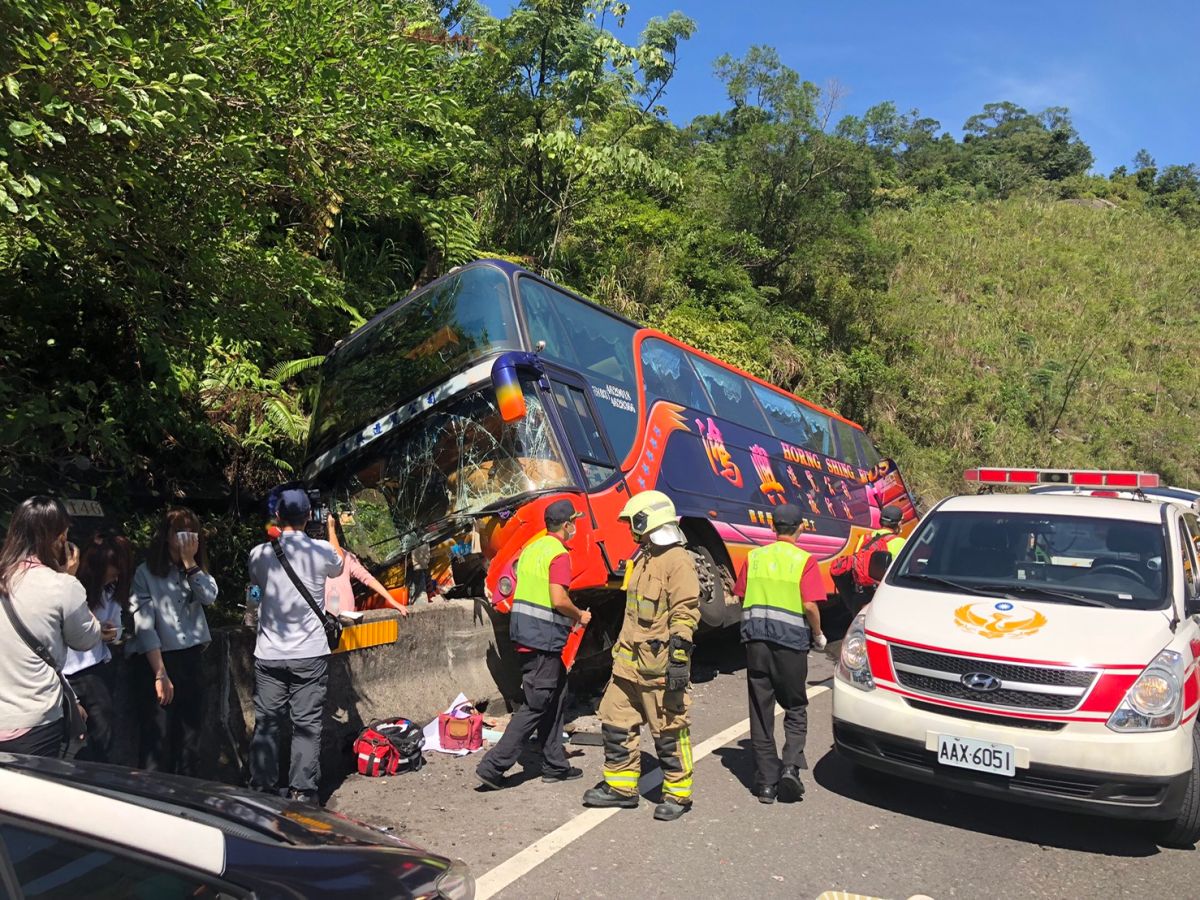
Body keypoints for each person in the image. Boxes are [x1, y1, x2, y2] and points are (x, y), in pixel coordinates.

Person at [582, 491, 700, 822]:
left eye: (633, 521)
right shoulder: (646, 557)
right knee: (615, 720)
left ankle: (677, 793)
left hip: (657, 667)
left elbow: (685, 610)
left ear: (647, 519)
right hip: (627, 665)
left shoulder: (677, 561)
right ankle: (621, 788)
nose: (630, 528)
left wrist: (679, 656)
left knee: (669, 729)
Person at [476, 499, 590, 790]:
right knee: (536, 704)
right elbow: (559, 599)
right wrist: (580, 615)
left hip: (525, 634)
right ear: (567, 525)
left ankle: (555, 764)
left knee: (557, 693)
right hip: (543, 639)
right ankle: (493, 766)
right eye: (574, 522)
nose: (575, 527)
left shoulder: (532, 548)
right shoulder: (558, 554)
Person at [247, 487, 344, 803]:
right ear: (309, 516)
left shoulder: (258, 554)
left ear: (277, 516)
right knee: (306, 725)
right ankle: (302, 791)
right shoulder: (321, 551)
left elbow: (255, 590)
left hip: (269, 653)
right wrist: (330, 529)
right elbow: (339, 566)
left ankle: (262, 789)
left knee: (267, 723)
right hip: (310, 653)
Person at [733, 504, 827, 804]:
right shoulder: (804, 561)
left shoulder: (754, 558)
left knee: (761, 711)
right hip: (790, 645)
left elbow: (740, 595)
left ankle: (765, 783)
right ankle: (790, 767)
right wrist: (818, 634)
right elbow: (810, 605)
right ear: (801, 527)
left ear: (773, 527)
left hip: (756, 642)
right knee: (795, 706)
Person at [0, 497, 101, 757]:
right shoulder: (62, 586)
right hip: (36, 721)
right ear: (59, 539)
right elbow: (86, 639)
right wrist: (68, 577)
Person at [128, 507, 218, 776]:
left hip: (191, 658)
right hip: (159, 660)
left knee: (190, 738)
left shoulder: (196, 572)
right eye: (179, 532)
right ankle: (150, 794)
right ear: (166, 535)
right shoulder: (146, 573)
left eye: (192, 532)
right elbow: (144, 625)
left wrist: (190, 564)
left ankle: (187, 792)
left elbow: (209, 596)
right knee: (157, 737)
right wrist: (160, 673)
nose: (186, 538)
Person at [64, 532, 133, 763]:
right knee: (68, 740)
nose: (116, 574)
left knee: (103, 738)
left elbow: (116, 628)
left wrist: (112, 633)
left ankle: (99, 779)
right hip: (65, 670)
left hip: (96, 670)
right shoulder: (71, 588)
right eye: (113, 568)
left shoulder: (110, 592)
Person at [323, 513, 408, 617]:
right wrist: (331, 529)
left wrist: (392, 600)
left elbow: (367, 578)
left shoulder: (348, 557)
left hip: (347, 616)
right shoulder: (312, 557)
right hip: (324, 618)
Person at [835, 504, 907, 617]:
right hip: (881, 597)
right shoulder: (900, 542)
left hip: (860, 596)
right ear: (898, 523)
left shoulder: (864, 538)